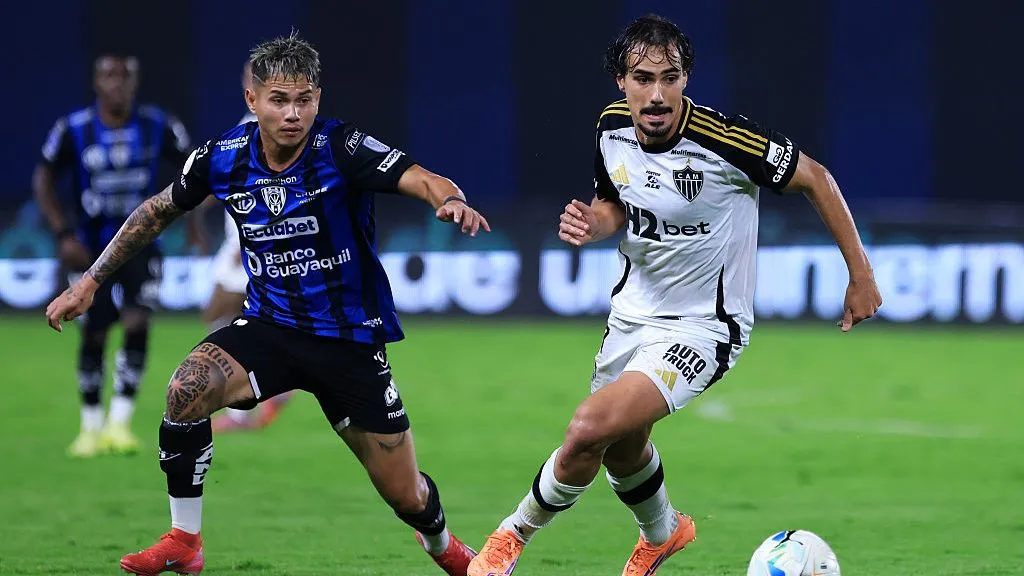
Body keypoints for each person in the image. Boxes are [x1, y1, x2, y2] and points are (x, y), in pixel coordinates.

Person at [45, 33, 485, 576]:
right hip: (271, 328)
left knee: (406, 495)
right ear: (252, 100)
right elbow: (156, 212)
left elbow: (421, 178)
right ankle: (185, 539)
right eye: (279, 99)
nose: (293, 113)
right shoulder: (222, 157)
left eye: (303, 99)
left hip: (349, 341)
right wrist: (90, 280)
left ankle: (443, 546)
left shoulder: (340, 148)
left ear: (317, 98)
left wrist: (452, 201)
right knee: (184, 389)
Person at [468, 14, 882, 576]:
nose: (656, 94)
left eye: (670, 77)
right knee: (619, 444)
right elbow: (616, 200)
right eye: (643, 78)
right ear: (622, 81)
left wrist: (860, 274)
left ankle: (508, 538)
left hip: (703, 327)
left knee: (589, 428)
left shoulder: (729, 142)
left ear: (687, 78)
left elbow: (818, 178)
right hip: (630, 315)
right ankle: (664, 533)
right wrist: (595, 222)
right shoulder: (610, 126)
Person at [33, 54, 191, 457]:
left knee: (138, 322)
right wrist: (62, 233)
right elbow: (44, 177)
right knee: (94, 329)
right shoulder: (74, 128)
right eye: (108, 75)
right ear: (96, 82)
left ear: (135, 83)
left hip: (143, 245)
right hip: (90, 247)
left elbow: (194, 170)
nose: (116, 83)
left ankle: (119, 423)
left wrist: (185, 219)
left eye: (125, 76)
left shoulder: (159, 125)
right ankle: (90, 425)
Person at [204, 60, 295, 433]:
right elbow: (221, 178)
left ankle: (250, 405)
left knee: (223, 317)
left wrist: (254, 238)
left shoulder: (265, 127)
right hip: (240, 242)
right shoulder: (248, 124)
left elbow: (272, 188)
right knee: (239, 320)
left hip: (252, 243)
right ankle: (277, 387)